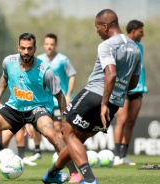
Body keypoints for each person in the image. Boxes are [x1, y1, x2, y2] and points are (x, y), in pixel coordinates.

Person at [42, 9, 141, 184]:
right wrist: (111, 99)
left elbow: (110, 74)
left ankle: (89, 179)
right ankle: (52, 174)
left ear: (105, 26)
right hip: (115, 102)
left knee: (68, 132)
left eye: (97, 28)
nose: (97, 32)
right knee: (76, 139)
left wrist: (103, 103)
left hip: (95, 96)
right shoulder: (135, 48)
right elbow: (132, 84)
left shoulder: (107, 45)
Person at [0, 33, 69, 182]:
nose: (26, 52)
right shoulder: (9, 61)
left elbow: (60, 96)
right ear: (18, 48)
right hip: (14, 107)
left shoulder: (45, 70)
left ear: (34, 48)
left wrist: (65, 122)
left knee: (52, 135)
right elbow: (4, 77)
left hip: (37, 108)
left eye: (29, 48)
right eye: (23, 48)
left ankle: (73, 173)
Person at [28, 33, 81, 182]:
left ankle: (63, 156)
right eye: (47, 44)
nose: (49, 46)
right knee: (37, 124)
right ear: (43, 45)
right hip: (45, 101)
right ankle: (38, 150)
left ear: (55, 45)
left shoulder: (63, 60)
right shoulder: (39, 60)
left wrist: (69, 94)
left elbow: (72, 75)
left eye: (52, 44)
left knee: (58, 130)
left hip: (59, 100)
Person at [113, 19, 148, 166]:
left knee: (131, 122)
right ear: (133, 30)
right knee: (121, 120)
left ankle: (123, 155)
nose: (143, 34)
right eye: (141, 31)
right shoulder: (121, 44)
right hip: (123, 88)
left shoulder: (140, 46)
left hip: (138, 89)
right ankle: (116, 156)